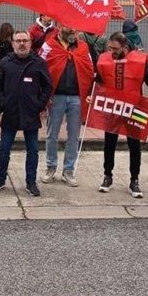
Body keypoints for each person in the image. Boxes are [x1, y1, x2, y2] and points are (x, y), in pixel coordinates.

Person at [96, 32, 148, 198]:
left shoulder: (139, 61)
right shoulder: (104, 60)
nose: (112, 51)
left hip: (134, 108)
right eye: (110, 48)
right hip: (113, 108)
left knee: (134, 145)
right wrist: (92, 94)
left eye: (115, 49)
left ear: (125, 48)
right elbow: (98, 81)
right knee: (109, 143)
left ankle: (134, 180)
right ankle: (107, 175)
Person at [0, 30, 53, 197]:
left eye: (25, 40)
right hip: (10, 112)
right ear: (12, 44)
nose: (22, 44)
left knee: (32, 150)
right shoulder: (6, 62)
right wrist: (3, 103)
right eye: (18, 41)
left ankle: (31, 182)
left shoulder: (39, 63)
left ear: (30, 43)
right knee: (4, 149)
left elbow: (48, 86)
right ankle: (0, 179)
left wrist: (38, 105)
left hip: (30, 113)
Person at [38, 23, 94, 187]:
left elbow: (89, 69)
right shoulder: (49, 45)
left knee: (74, 136)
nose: (73, 30)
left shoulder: (83, 47)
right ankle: (51, 167)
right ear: (60, 27)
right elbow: (39, 67)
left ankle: (68, 170)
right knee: (52, 134)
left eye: (75, 27)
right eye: (69, 27)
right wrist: (43, 94)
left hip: (77, 97)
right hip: (56, 97)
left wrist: (89, 93)